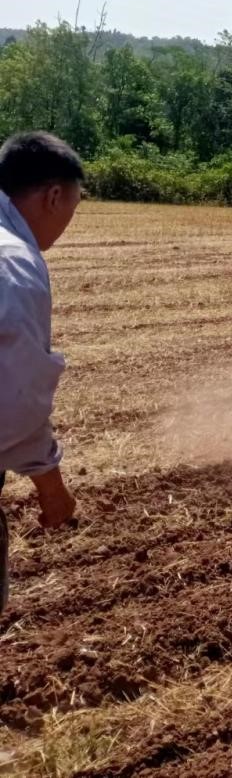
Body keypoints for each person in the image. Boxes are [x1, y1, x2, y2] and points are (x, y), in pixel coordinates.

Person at [1, 131, 83, 611]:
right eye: (72, 209)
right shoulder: (14, 262)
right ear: (54, 196)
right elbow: (14, 397)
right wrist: (52, 488)